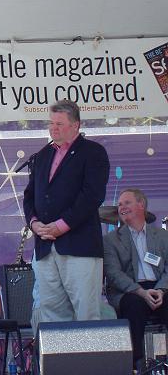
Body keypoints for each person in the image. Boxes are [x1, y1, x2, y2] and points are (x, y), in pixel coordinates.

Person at [23, 99, 110, 322]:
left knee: (86, 312)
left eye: (60, 124)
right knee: (50, 312)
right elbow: (29, 195)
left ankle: (89, 358)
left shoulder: (92, 152)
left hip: (78, 246)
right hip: (45, 246)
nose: (54, 128)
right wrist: (34, 223)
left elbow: (92, 196)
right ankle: (58, 358)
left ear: (76, 125)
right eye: (51, 123)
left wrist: (61, 226)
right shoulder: (42, 156)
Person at [104, 188, 168, 370]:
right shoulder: (110, 240)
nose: (121, 207)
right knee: (134, 306)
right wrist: (141, 292)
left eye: (127, 203)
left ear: (141, 205)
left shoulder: (162, 236)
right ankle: (135, 364)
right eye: (119, 205)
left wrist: (161, 290)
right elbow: (114, 274)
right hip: (130, 290)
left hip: (159, 287)